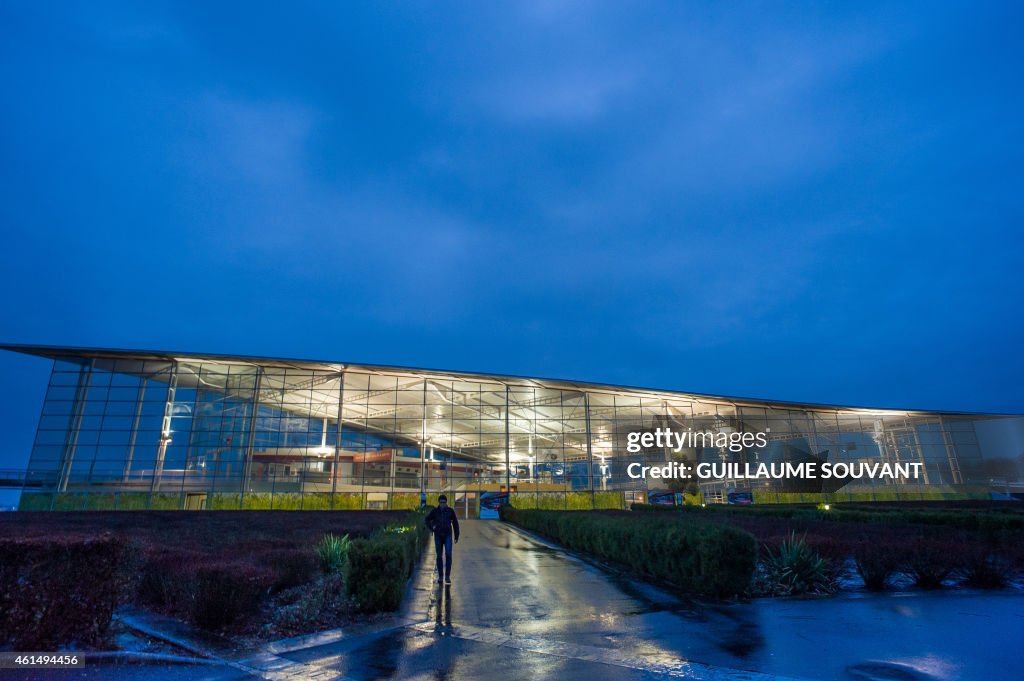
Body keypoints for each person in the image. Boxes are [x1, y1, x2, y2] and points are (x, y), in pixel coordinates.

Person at [425, 494, 460, 585]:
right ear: (439, 502)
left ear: (446, 502)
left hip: (448, 535)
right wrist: (432, 527)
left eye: (444, 502)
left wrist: (456, 535)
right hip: (438, 536)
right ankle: (441, 576)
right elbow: (427, 519)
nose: (442, 504)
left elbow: (455, 523)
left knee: (448, 555)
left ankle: (447, 576)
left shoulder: (450, 511)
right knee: (439, 556)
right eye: (441, 502)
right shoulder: (435, 511)